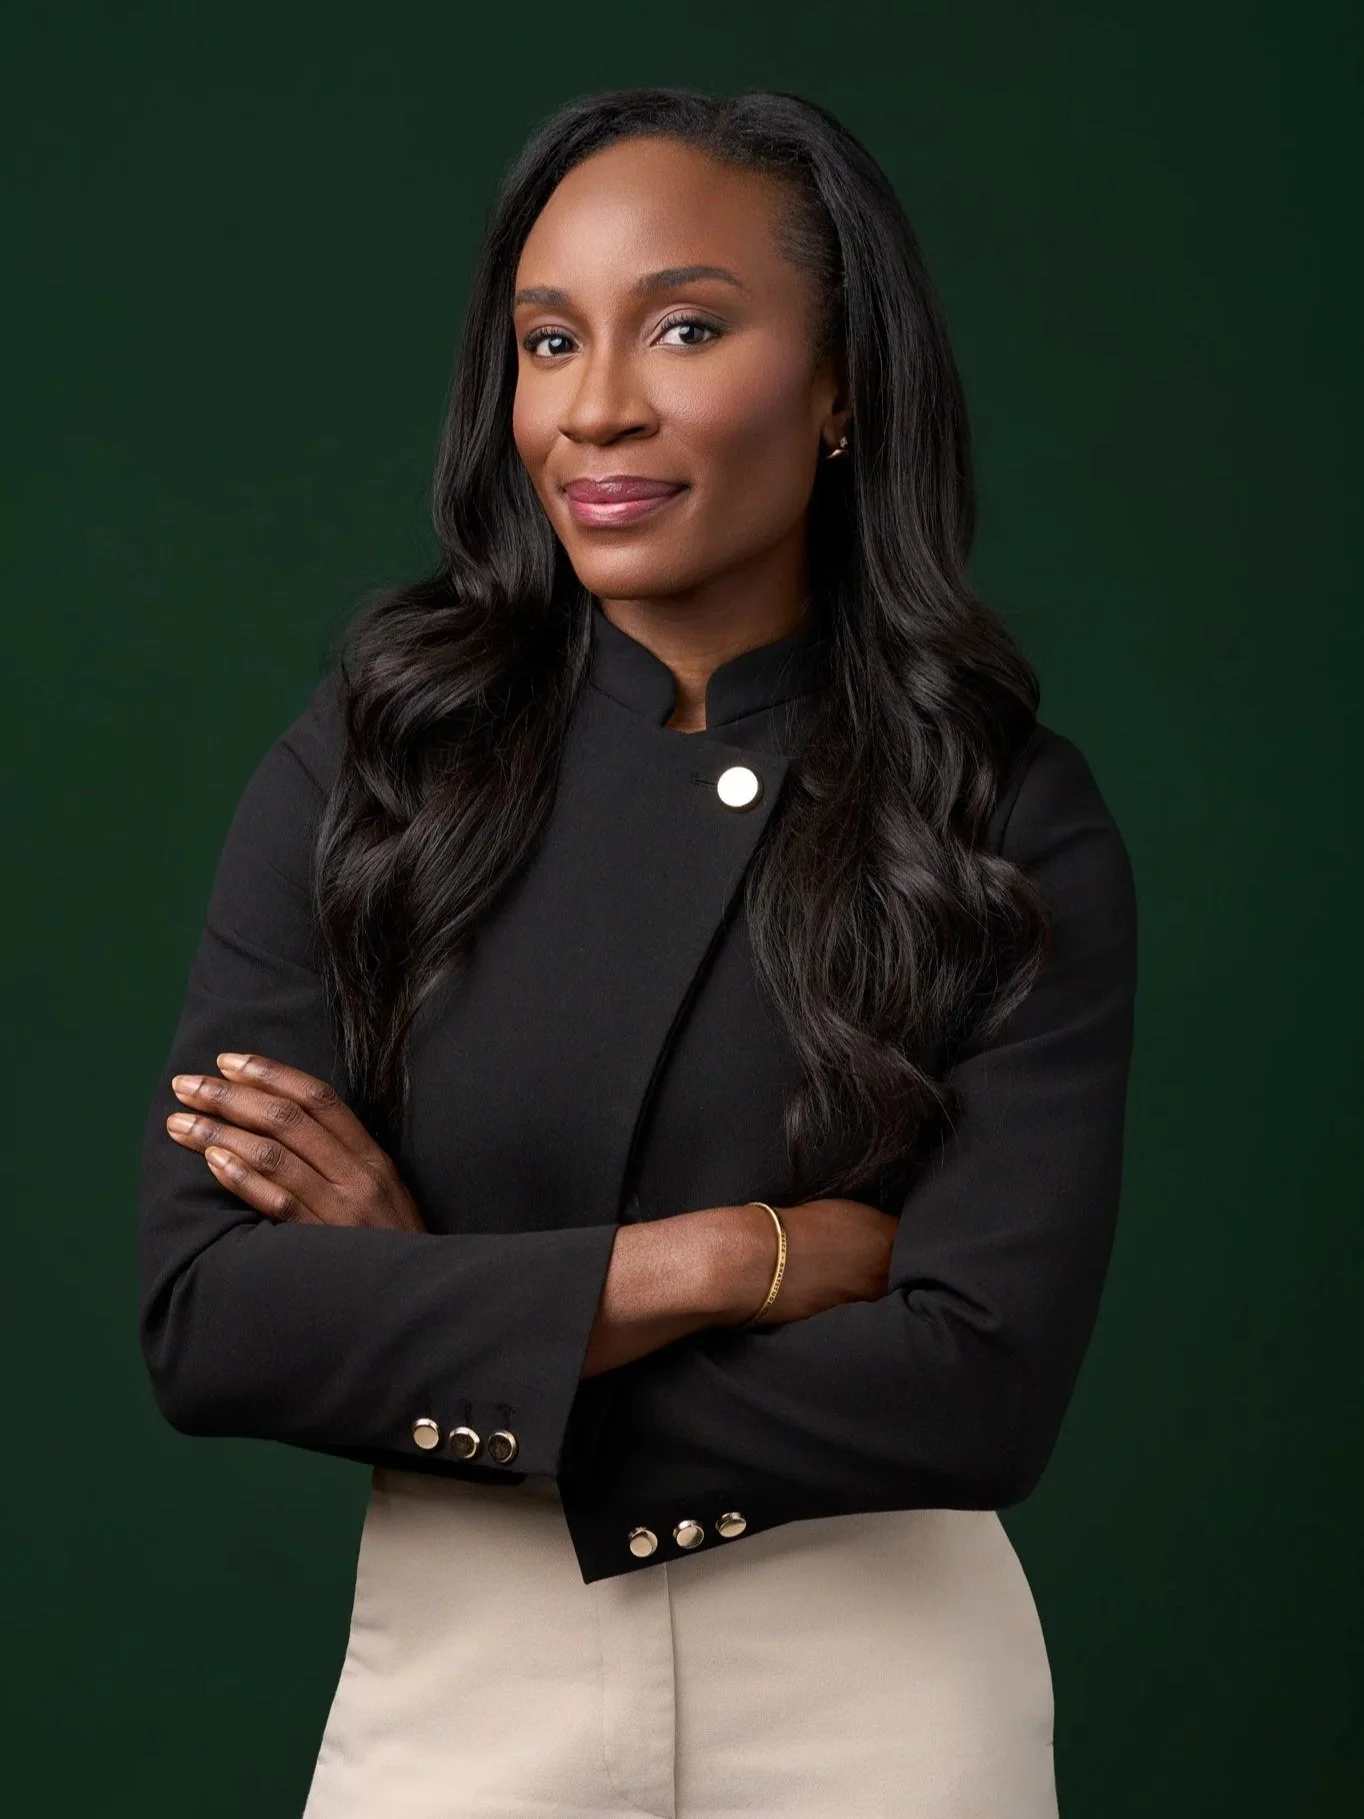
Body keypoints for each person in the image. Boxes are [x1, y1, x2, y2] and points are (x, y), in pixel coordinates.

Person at [138, 86, 1137, 1818]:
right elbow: (212, 1316)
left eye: (687, 327)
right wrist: (723, 1262)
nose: (596, 406)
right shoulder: (371, 769)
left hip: (882, 1693)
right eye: (546, 341)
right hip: (462, 1685)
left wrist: (436, 1301)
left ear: (839, 385)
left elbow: (976, 1390)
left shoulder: (999, 813)